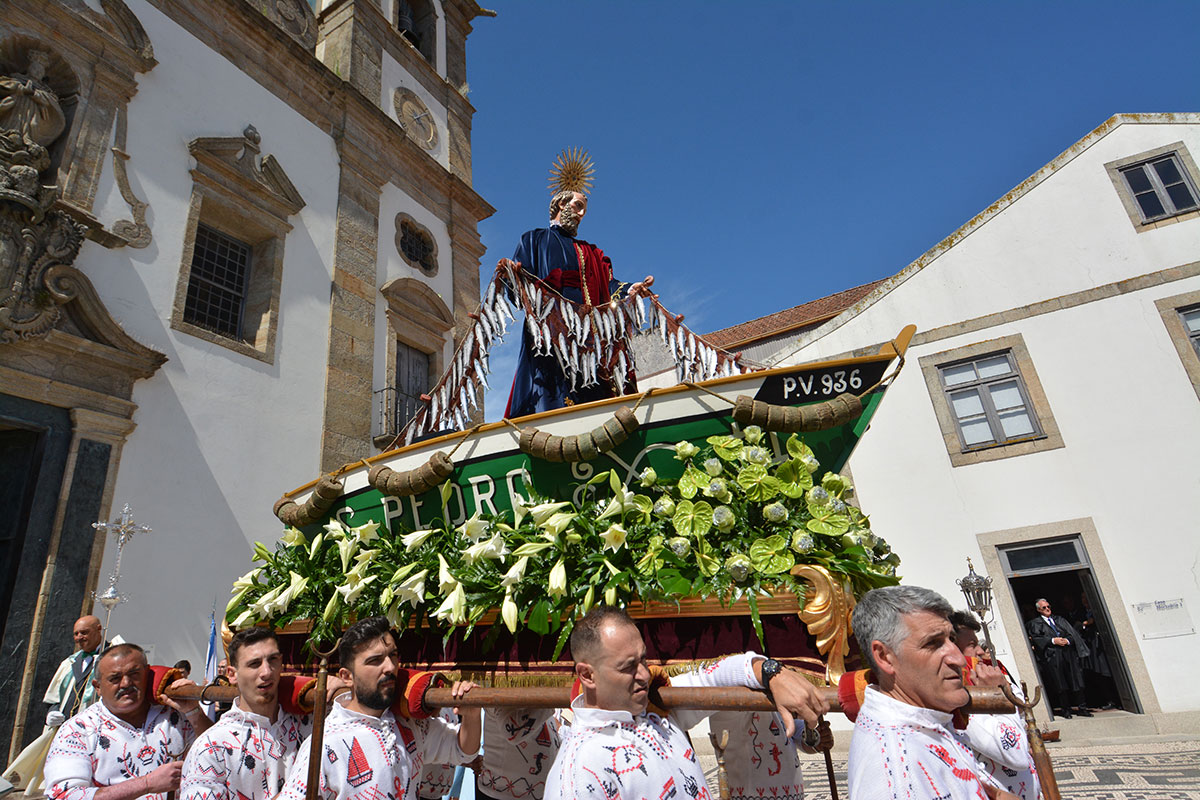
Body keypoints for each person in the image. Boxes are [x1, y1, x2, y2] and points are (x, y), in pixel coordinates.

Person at [543, 605, 829, 800]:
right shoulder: (579, 772)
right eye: (628, 667)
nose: (643, 674)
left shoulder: (657, 707)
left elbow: (718, 676)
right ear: (587, 675)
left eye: (643, 659)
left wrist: (772, 673)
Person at [846, 586, 1019, 800]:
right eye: (933, 643)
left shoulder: (923, 721)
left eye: (951, 640)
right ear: (884, 657)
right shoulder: (899, 773)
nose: (959, 659)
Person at [279, 617, 481, 800]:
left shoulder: (408, 724)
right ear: (346, 677)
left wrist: (471, 713)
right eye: (375, 661)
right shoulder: (326, 743)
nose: (390, 667)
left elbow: (463, 750)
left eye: (392, 655)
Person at [500, 180, 652, 418]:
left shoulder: (591, 252)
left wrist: (630, 289)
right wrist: (511, 275)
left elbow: (608, 284)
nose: (581, 215)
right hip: (551, 331)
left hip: (590, 336)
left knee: (596, 390)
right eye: (578, 206)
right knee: (552, 390)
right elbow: (521, 283)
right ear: (561, 204)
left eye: (584, 210)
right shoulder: (534, 239)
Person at [180, 628, 337, 800]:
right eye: (254, 664)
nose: (267, 672)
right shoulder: (211, 747)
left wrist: (340, 689)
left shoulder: (311, 725)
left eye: (273, 660)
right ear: (232, 674)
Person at [43, 643, 212, 800]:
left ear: (147, 674)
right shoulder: (78, 730)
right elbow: (63, 795)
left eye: (134, 674)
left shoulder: (176, 716)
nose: (126, 683)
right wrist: (147, 783)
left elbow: (221, 755)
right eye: (115, 678)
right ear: (98, 687)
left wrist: (193, 711)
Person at [3, 617, 111, 794]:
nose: (79, 637)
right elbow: (54, 698)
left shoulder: (112, 657)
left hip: (95, 732)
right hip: (66, 731)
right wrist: (52, 713)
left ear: (99, 629)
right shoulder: (69, 662)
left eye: (84, 632)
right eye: (75, 634)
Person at [949, 611, 1038, 800]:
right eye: (971, 645)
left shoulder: (986, 679)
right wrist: (996, 696)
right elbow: (1015, 753)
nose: (980, 651)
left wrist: (1003, 690)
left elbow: (1021, 706)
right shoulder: (959, 702)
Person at [1025, 598, 1091, 718]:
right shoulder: (1035, 623)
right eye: (1044, 607)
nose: (1047, 609)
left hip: (1068, 653)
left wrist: (1067, 640)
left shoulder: (1059, 619)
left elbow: (1072, 633)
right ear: (1039, 609)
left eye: (1048, 606)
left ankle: (1082, 707)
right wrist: (1053, 641)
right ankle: (1066, 710)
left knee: (1076, 680)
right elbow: (1036, 638)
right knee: (1060, 683)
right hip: (1053, 655)